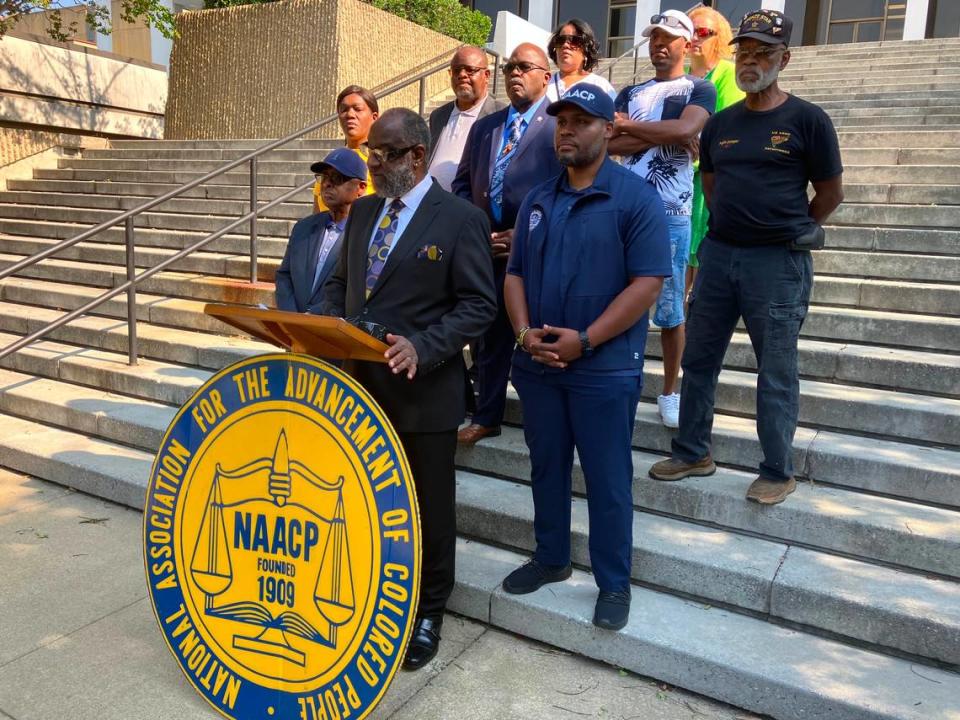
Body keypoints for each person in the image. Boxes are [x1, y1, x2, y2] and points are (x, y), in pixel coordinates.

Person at [319, 108, 497, 669]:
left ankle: (427, 612)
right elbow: (342, 286)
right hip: (358, 393)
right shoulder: (364, 210)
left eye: (384, 153)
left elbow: (479, 306)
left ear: (417, 156)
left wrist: (424, 344)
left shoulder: (459, 219)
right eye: (371, 151)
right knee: (366, 503)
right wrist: (317, 324)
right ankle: (376, 594)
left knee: (427, 509)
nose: (371, 163)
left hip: (424, 397)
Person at [648, 10, 844, 506]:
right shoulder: (721, 125)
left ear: (785, 58)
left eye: (763, 53)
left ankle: (778, 470)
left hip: (777, 264)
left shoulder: (808, 120)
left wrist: (791, 226)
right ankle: (693, 450)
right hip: (719, 257)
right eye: (745, 52)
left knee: (776, 369)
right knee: (699, 359)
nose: (751, 62)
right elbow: (711, 186)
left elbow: (830, 194)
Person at [500, 84, 671, 632]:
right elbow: (516, 274)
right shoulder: (537, 200)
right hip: (540, 367)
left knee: (607, 478)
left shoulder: (634, 199)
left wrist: (588, 340)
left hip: (604, 368)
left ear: (608, 130)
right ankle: (551, 558)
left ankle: (614, 581)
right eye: (561, 120)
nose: (567, 130)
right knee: (547, 467)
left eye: (581, 121)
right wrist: (525, 335)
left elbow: (647, 284)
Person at [609, 10, 716, 430]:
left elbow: (686, 128)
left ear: (686, 44)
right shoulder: (630, 91)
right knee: (618, 302)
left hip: (671, 214)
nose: (659, 44)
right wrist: (667, 131)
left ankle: (670, 391)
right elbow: (608, 140)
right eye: (654, 37)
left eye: (669, 38)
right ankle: (623, 384)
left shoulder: (698, 88)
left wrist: (635, 129)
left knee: (671, 312)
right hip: (624, 214)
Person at [452, 43, 563, 445]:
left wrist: (527, 232)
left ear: (546, 77)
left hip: (538, 248)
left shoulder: (558, 127)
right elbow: (463, 182)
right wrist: (477, 228)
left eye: (525, 67)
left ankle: (545, 420)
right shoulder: (486, 126)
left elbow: (565, 190)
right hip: (488, 246)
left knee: (539, 332)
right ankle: (487, 415)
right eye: (510, 67)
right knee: (490, 337)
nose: (515, 73)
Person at [686, 5, 745, 302]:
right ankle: (676, 313)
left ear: (718, 37)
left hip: (711, 176)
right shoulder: (680, 75)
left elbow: (727, 128)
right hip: (678, 174)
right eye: (691, 31)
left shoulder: (728, 73)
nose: (695, 38)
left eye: (704, 32)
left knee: (700, 243)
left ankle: (693, 308)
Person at [275, 148, 367, 312]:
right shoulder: (303, 228)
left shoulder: (367, 234)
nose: (327, 184)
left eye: (337, 178)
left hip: (333, 330)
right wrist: (292, 316)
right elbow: (284, 276)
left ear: (360, 188)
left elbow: (355, 290)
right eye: (324, 177)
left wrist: (313, 316)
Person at [428, 46, 505, 191]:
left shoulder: (501, 115)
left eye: (470, 70)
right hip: (432, 206)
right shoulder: (438, 116)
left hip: (472, 208)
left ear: (487, 75)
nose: (462, 75)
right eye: (456, 70)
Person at [312, 85, 378, 213]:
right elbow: (317, 215)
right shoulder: (330, 162)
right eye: (344, 110)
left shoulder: (381, 162)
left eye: (357, 109)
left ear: (374, 117)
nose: (350, 115)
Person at [544, 18, 616, 102]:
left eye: (574, 40)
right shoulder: (544, 86)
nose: (565, 45)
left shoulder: (601, 86)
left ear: (586, 49)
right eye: (561, 40)